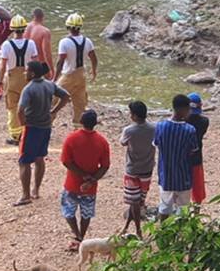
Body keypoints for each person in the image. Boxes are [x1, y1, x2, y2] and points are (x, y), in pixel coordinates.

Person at [15, 61, 70, 206]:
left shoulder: (29, 89)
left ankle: (25, 195)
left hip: (31, 127)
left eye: (26, 71)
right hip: (46, 127)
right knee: (40, 158)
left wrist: (23, 125)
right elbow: (66, 96)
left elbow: (20, 110)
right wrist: (54, 111)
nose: (24, 73)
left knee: (24, 162)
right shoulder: (49, 85)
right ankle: (36, 190)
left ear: (32, 73)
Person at [61, 110, 111, 250]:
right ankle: (81, 235)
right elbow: (105, 166)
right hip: (90, 187)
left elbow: (66, 161)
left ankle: (77, 235)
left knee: (69, 212)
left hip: (72, 183)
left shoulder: (71, 138)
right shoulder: (102, 141)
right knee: (86, 213)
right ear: (95, 123)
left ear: (81, 122)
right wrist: (92, 179)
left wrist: (82, 175)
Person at [154, 95, 197, 217]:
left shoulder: (160, 126)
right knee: (183, 210)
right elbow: (192, 151)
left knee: (164, 207)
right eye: (188, 109)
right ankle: (180, 234)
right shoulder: (190, 130)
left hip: (166, 175)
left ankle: (162, 233)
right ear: (183, 109)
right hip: (183, 176)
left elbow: (156, 144)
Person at [0, 15, 38, 145]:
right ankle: (29, 132)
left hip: (12, 78)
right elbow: (35, 62)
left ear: (12, 29)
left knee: (13, 106)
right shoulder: (31, 43)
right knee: (29, 105)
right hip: (27, 77)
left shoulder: (6, 45)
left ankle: (16, 135)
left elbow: (3, 65)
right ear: (24, 29)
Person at [54, 13, 97, 129]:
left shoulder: (64, 42)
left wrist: (54, 78)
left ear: (68, 27)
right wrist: (94, 71)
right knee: (80, 102)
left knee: (54, 98)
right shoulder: (87, 41)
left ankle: (48, 121)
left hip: (68, 75)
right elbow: (93, 58)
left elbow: (60, 62)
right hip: (81, 75)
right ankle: (78, 127)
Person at [120, 101, 155, 238]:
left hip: (132, 170)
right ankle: (128, 226)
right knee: (139, 200)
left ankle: (138, 230)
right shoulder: (154, 128)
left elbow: (123, 142)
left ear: (134, 115)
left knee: (133, 201)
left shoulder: (129, 130)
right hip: (147, 168)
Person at [186, 93, 210, 205]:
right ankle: (196, 212)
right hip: (196, 158)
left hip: (183, 158)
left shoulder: (183, 123)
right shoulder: (204, 122)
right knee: (197, 189)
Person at [25, 8, 54, 79]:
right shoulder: (44, 31)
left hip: (26, 63)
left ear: (33, 16)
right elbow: (46, 53)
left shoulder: (24, 27)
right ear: (43, 17)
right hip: (40, 64)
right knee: (49, 83)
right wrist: (52, 69)